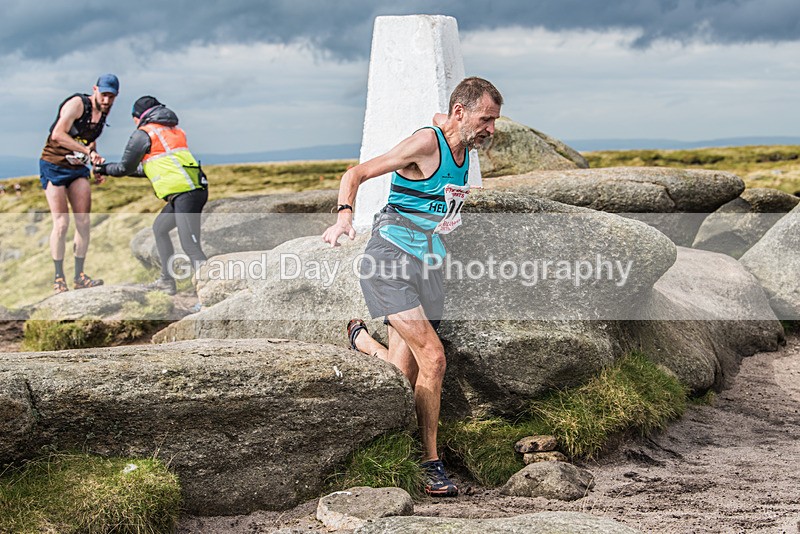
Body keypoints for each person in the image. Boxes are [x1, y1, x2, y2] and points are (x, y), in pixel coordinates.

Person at [323, 77, 503, 497]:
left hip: (429, 262)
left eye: (495, 120)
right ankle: (429, 463)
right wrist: (344, 216)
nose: (491, 129)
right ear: (461, 112)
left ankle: (363, 342)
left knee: (402, 374)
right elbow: (358, 171)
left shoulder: (462, 148)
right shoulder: (427, 143)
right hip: (390, 260)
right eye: (486, 119)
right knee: (434, 357)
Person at [95, 96, 208, 296]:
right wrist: (108, 170)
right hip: (189, 190)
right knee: (160, 228)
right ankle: (167, 281)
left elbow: (124, 167)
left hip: (186, 193)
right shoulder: (172, 130)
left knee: (190, 245)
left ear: (138, 116)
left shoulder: (144, 133)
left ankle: (210, 293)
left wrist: (102, 169)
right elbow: (150, 168)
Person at [40, 74, 119, 293]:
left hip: (77, 168)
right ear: (95, 89)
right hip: (53, 165)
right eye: (104, 95)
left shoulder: (103, 112)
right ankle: (58, 278)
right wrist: (86, 151)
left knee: (83, 221)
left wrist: (95, 164)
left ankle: (79, 275)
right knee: (61, 223)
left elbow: (90, 139)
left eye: (112, 97)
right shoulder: (77, 104)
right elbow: (57, 134)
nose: (107, 100)